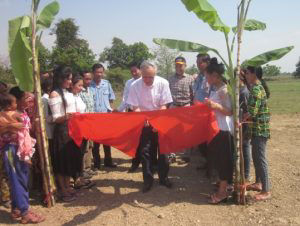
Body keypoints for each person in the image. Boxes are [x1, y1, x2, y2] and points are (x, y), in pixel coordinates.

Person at [0, 87, 45, 223]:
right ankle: (25, 211)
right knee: (18, 180)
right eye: (26, 98)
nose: (28, 100)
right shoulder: (7, 115)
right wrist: (9, 127)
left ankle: (17, 209)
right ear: (15, 101)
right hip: (12, 150)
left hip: (22, 149)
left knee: (21, 179)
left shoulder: (22, 112)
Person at [127, 61, 173, 193]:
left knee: (164, 151)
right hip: (143, 121)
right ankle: (147, 180)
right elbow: (134, 106)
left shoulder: (163, 83)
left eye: (151, 77)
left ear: (155, 74)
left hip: (161, 119)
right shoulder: (135, 85)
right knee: (145, 152)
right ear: (141, 73)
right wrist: (144, 119)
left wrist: (157, 122)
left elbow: (165, 104)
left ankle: (164, 178)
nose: (147, 80)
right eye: (145, 76)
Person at [49, 66, 81, 202]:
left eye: (70, 78)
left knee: (69, 160)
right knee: (62, 161)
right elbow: (56, 118)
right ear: (61, 78)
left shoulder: (67, 92)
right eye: (68, 78)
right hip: (62, 130)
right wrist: (68, 116)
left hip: (72, 129)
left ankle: (68, 187)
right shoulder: (55, 94)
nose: (70, 81)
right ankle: (62, 190)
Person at [203, 58, 234, 204]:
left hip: (224, 129)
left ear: (215, 75)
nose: (206, 78)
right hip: (217, 129)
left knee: (224, 161)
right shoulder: (217, 88)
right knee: (219, 160)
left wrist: (214, 106)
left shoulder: (224, 90)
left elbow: (229, 111)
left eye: (207, 76)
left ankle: (222, 193)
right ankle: (223, 188)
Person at [244, 66, 271, 201]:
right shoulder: (258, 87)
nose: (246, 76)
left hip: (260, 129)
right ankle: (259, 183)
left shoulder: (255, 89)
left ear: (254, 74)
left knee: (260, 159)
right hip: (257, 129)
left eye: (247, 73)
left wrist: (240, 119)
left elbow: (251, 113)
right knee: (256, 157)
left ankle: (266, 190)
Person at [115, 62, 143, 173]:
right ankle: (135, 163)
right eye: (131, 71)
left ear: (141, 70)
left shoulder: (147, 81)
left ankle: (152, 164)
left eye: (135, 70)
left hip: (146, 112)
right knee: (134, 139)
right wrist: (119, 110)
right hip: (132, 113)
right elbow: (125, 100)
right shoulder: (129, 83)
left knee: (149, 138)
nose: (134, 73)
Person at [90, 63, 117, 169]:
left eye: (101, 72)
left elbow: (111, 98)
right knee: (95, 143)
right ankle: (96, 163)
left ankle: (108, 161)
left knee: (107, 141)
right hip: (94, 117)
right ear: (93, 73)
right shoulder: (88, 85)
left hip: (106, 116)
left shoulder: (106, 84)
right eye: (97, 72)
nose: (99, 74)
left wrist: (110, 111)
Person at [168, 56, 194, 162]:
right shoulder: (170, 79)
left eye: (181, 65)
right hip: (174, 107)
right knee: (172, 132)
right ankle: (172, 154)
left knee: (187, 132)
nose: (178, 67)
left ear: (185, 65)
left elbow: (193, 94)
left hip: (186, 107)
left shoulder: (190, 78)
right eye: (176, 65)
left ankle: (186, 155)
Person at [79, 71, 97, 178]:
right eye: (86, 79)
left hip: (91, 123)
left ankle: (88, 168)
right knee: (84, 147)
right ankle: (82, 169)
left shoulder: (90, 90)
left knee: (90, 146)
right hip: (83, 123)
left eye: (90, 79)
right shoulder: (79, 92)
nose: (89, 81)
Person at [239, 70, 251, 182]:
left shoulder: (244, 92)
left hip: (245, 124)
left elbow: (247, 111)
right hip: (239, 124)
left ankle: (246, 175)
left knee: (245, 147)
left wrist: (242, 121)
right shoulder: (239, 91)